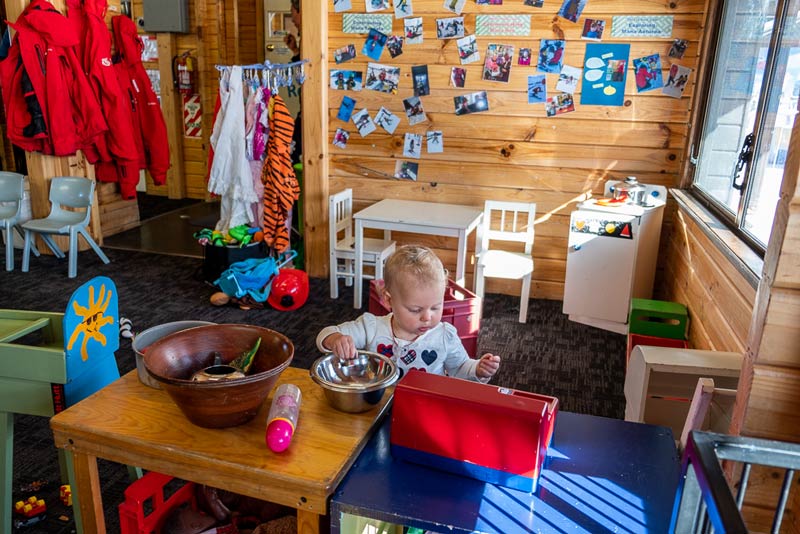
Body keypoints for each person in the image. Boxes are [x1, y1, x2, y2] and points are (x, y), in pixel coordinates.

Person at [317, 245, 501, 382]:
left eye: (436, 307)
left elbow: (460, 368)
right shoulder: (371, 327)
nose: (427, 317)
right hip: (378, 406)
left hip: (425, 407)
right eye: (415, 310)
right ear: (389, 300)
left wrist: (478, 369)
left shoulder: (445, 335)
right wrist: (335, 340)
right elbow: (325, 334)